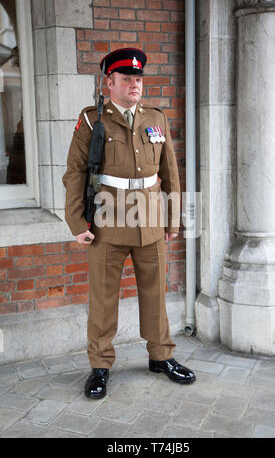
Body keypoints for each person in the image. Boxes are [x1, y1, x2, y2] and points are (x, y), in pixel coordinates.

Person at [62, 48, 196, 400]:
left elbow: (170, 172)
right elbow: (75, 172)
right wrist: (78, 220)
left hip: (150, 219)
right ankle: (101, 365)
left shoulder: (157, 118)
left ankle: (161, 356)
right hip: (107, 221)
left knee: (155, 293)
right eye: (126, 79)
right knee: (103, 298)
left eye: (138, 79)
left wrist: (173, 219)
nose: (135, 85)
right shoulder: (93, 120)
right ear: (110, 83)